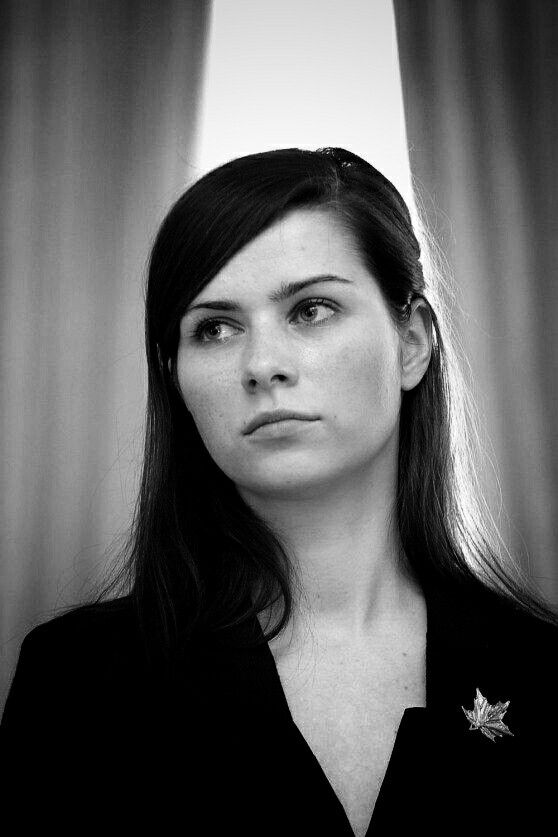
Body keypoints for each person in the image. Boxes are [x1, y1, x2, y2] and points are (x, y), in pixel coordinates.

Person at [1, 147, 557, 836]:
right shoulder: (77, 682)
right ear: (175, 378)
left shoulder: (544, 671)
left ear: (411, 340)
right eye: (215, 327)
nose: (262, 365)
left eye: (311, 308)